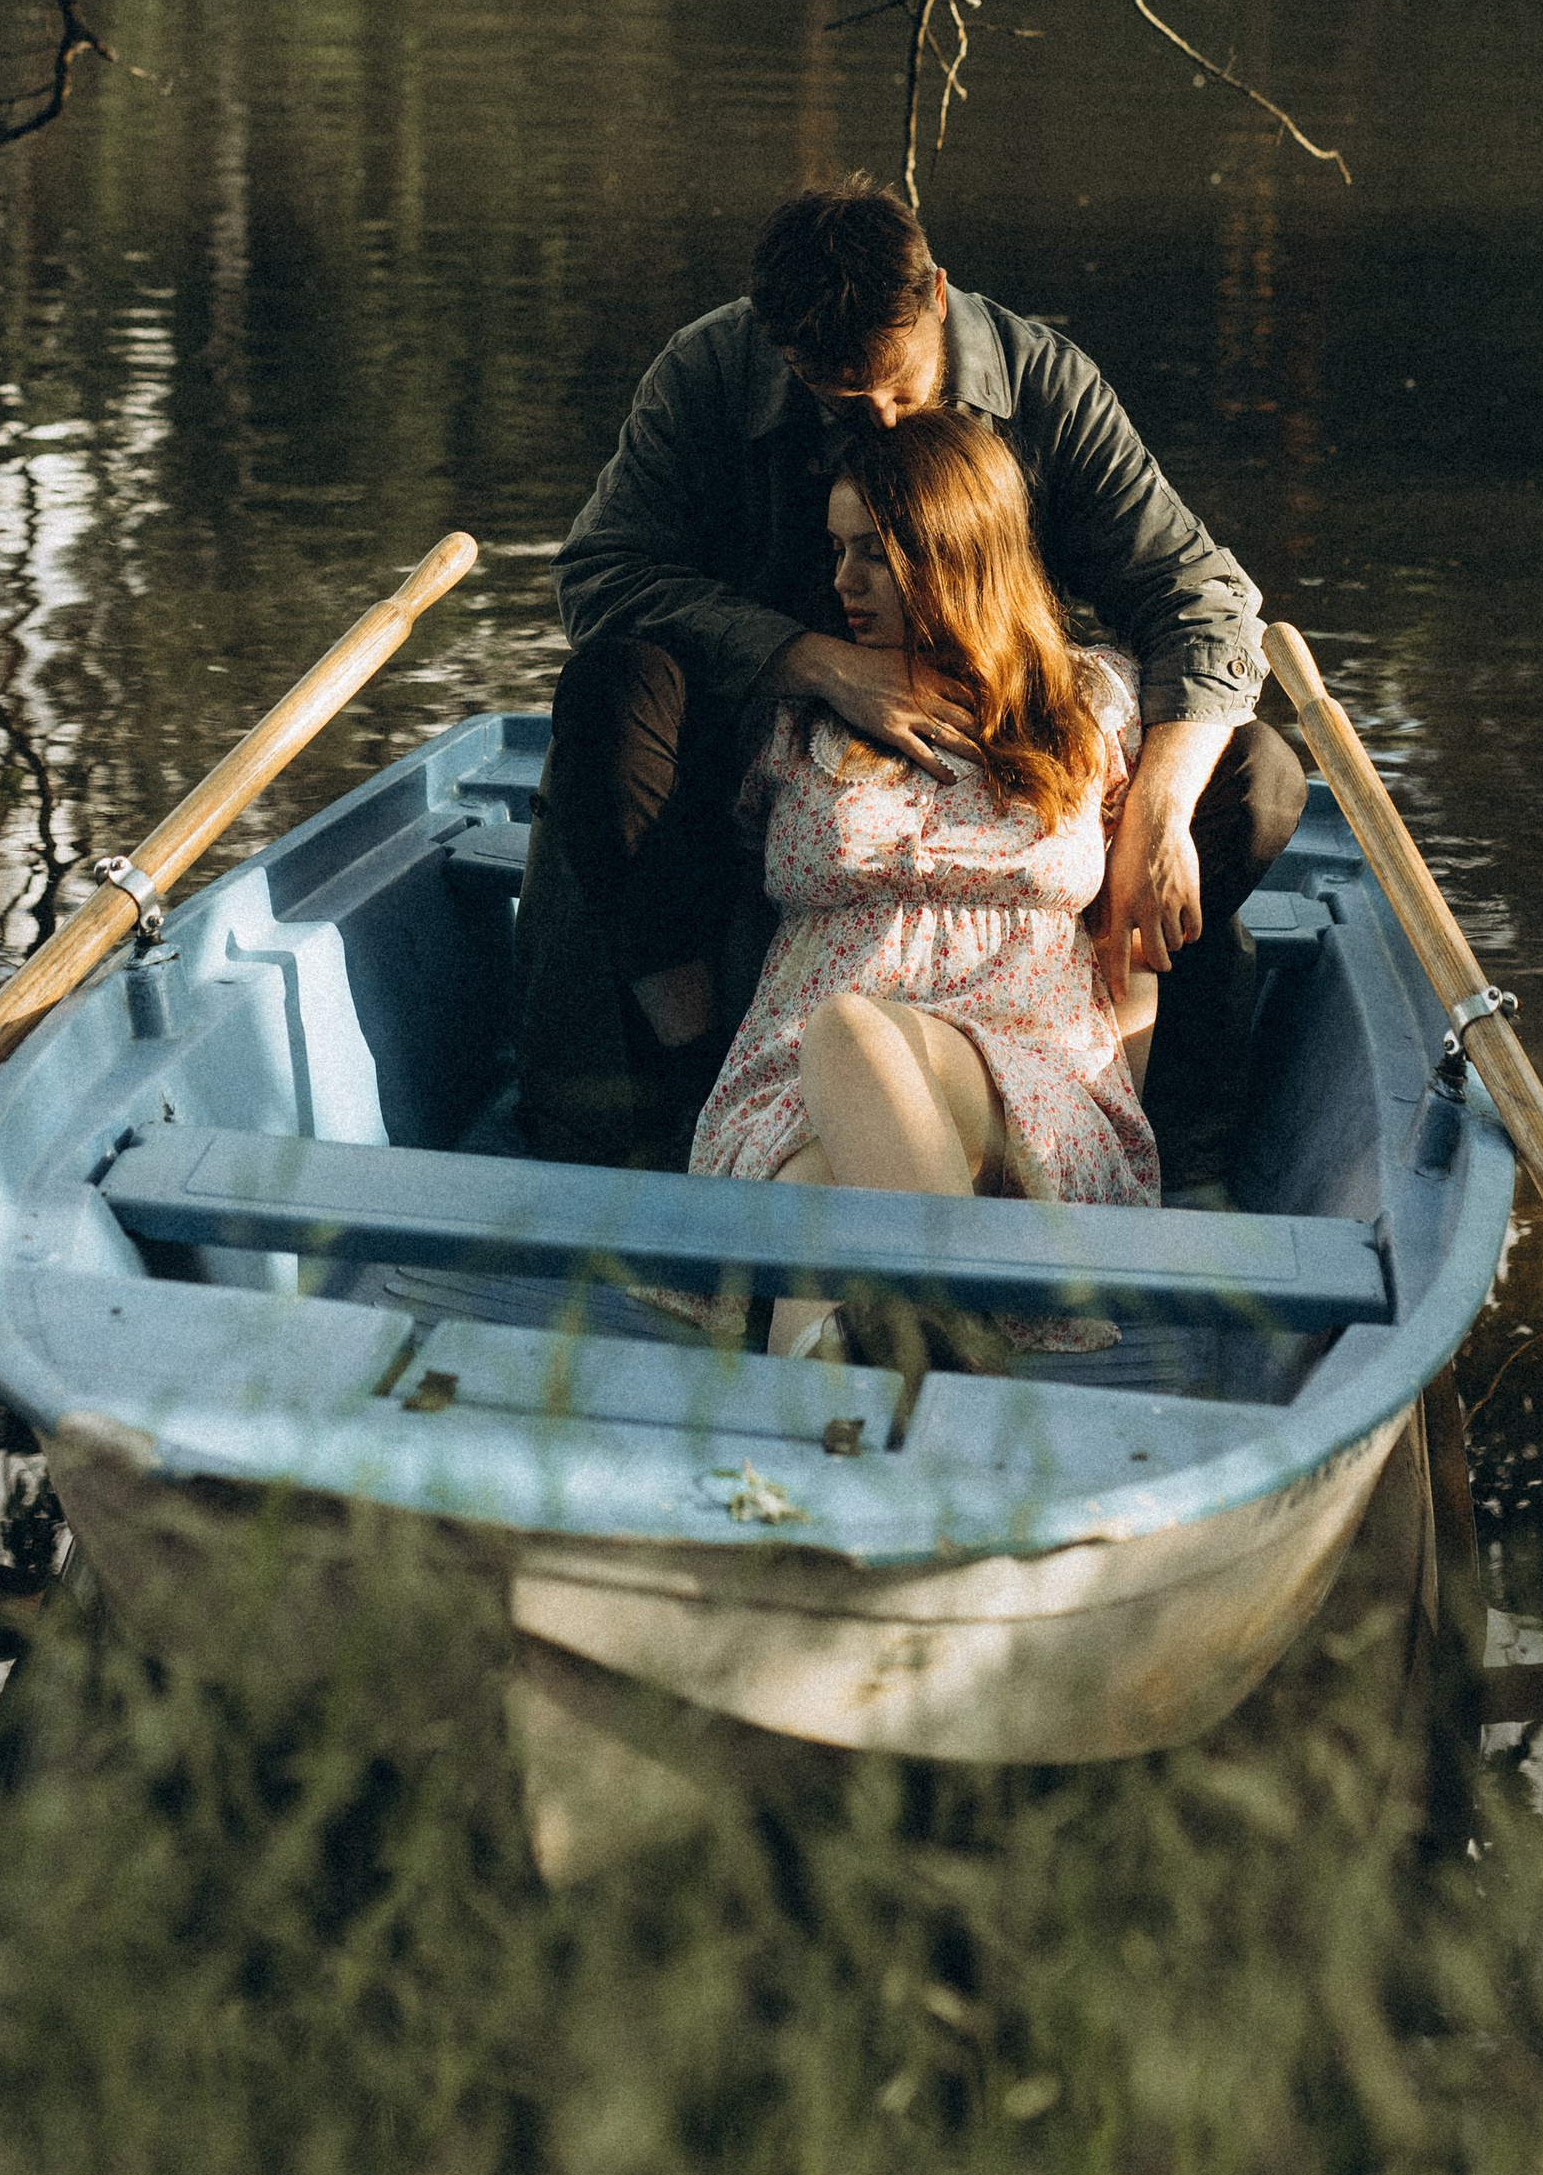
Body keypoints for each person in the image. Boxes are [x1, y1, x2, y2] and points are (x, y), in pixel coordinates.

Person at [514, 178, 1303, 1190]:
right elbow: (599, 575)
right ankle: (693, 1078)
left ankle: (1146, 1093)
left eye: (896, 386)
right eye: (839, 401)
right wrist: (817, 665)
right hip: (770, 725)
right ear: (776, 346)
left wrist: (1151, 813)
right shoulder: (708, 370)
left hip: (1003, 726)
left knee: (1258, 775)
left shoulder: (1047, 385)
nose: (879, 420)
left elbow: (1200, 598)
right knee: (613, 692)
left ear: (935, 294)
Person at [690, 414, 1158, 1361]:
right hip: (794, 1087)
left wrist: (1121, 1119)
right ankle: (923, 1378)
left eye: (872, 552)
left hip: (1029, 1087)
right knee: (820, 1181)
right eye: (836, 551)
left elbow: (1132, 935)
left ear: (954, 549)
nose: (841, 581)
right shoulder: (801, 712)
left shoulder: (1090, 702)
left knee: (853, 1031)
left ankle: (905, 1381)